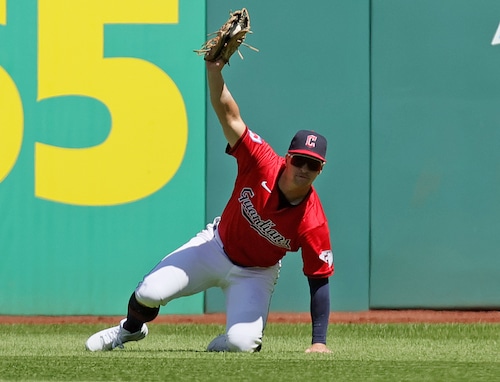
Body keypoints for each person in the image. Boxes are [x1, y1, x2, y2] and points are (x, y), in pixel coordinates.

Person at [85, 59, 334, 353]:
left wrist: (319, 342)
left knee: (243, 345)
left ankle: (219, 348)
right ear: (287, 157)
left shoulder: (312, 220)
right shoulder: (262, 162)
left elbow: (319, 280)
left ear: (320, 170)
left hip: (256, 272)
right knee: (149, 292)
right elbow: (229, 115)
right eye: (299, 160)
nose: (304, 168)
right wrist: (214, 71)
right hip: (215, 246)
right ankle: (129, 330)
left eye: (313, 164)